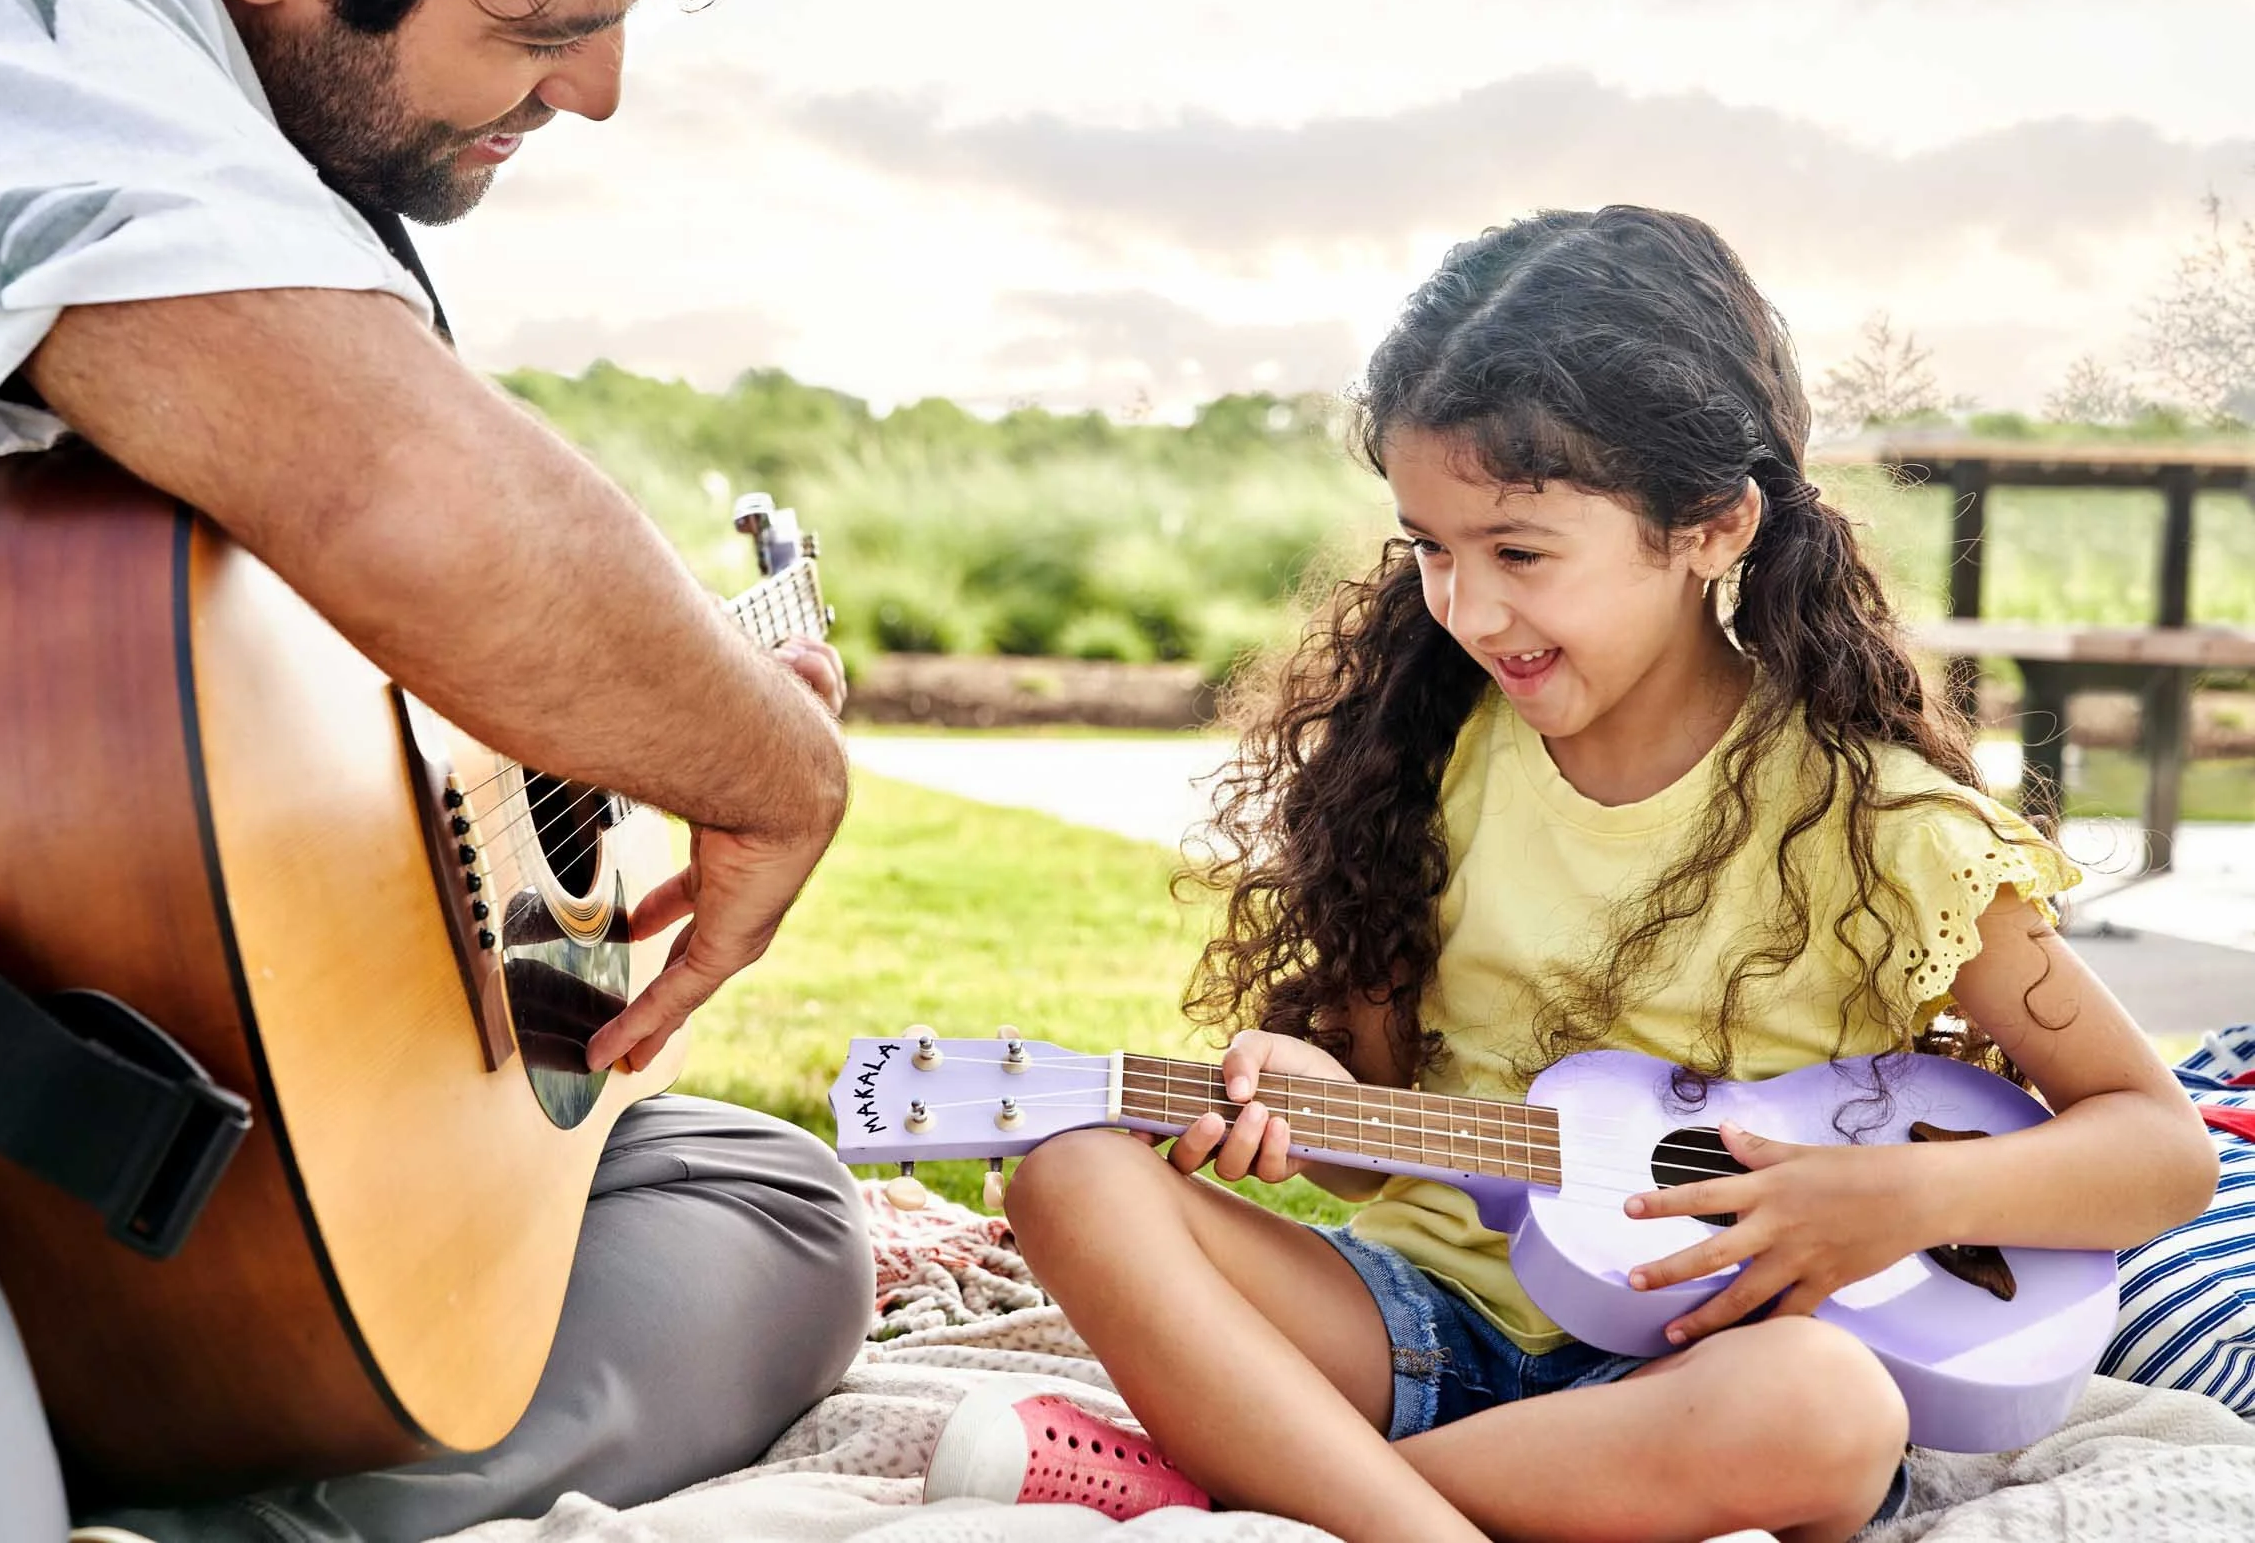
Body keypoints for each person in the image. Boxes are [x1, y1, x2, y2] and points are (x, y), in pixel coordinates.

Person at [0, 0, 870, 1539]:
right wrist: (772, 766)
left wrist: (635, 714)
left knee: (772, 1207)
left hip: (134, 999)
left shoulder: (261, 127)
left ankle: (214, 1500)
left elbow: (315, 650)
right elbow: (401, 500)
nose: (600, 90)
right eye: (544, 31)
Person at [929, 208, 2219, 1542]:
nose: (1468, 609)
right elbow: (1381, 1151)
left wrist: (1905, 1197)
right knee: (1067, 1168)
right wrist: (1316, 1105)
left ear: (1713, 524)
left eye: (1521, 553)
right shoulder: (1421, 760)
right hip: (1416, 1324)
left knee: (1832, 1410)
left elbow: (2158, 1146)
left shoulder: (1884, 825)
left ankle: (1297, 1485)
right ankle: (1409, 1511)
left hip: (1700, 1374)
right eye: (1432, 547)